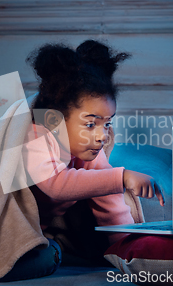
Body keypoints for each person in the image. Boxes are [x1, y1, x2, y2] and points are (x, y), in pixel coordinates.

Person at [22, 40, 165, 248]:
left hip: (37, 234)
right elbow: (58, 185)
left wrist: (127, 249)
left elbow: (110, 201)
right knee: (43, 256)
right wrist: (122, 176)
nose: (103, 136)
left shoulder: (89, 152)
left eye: (107, 123)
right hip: (2, 233)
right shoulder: (36, 137)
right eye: (90, 124)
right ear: (55, 121)